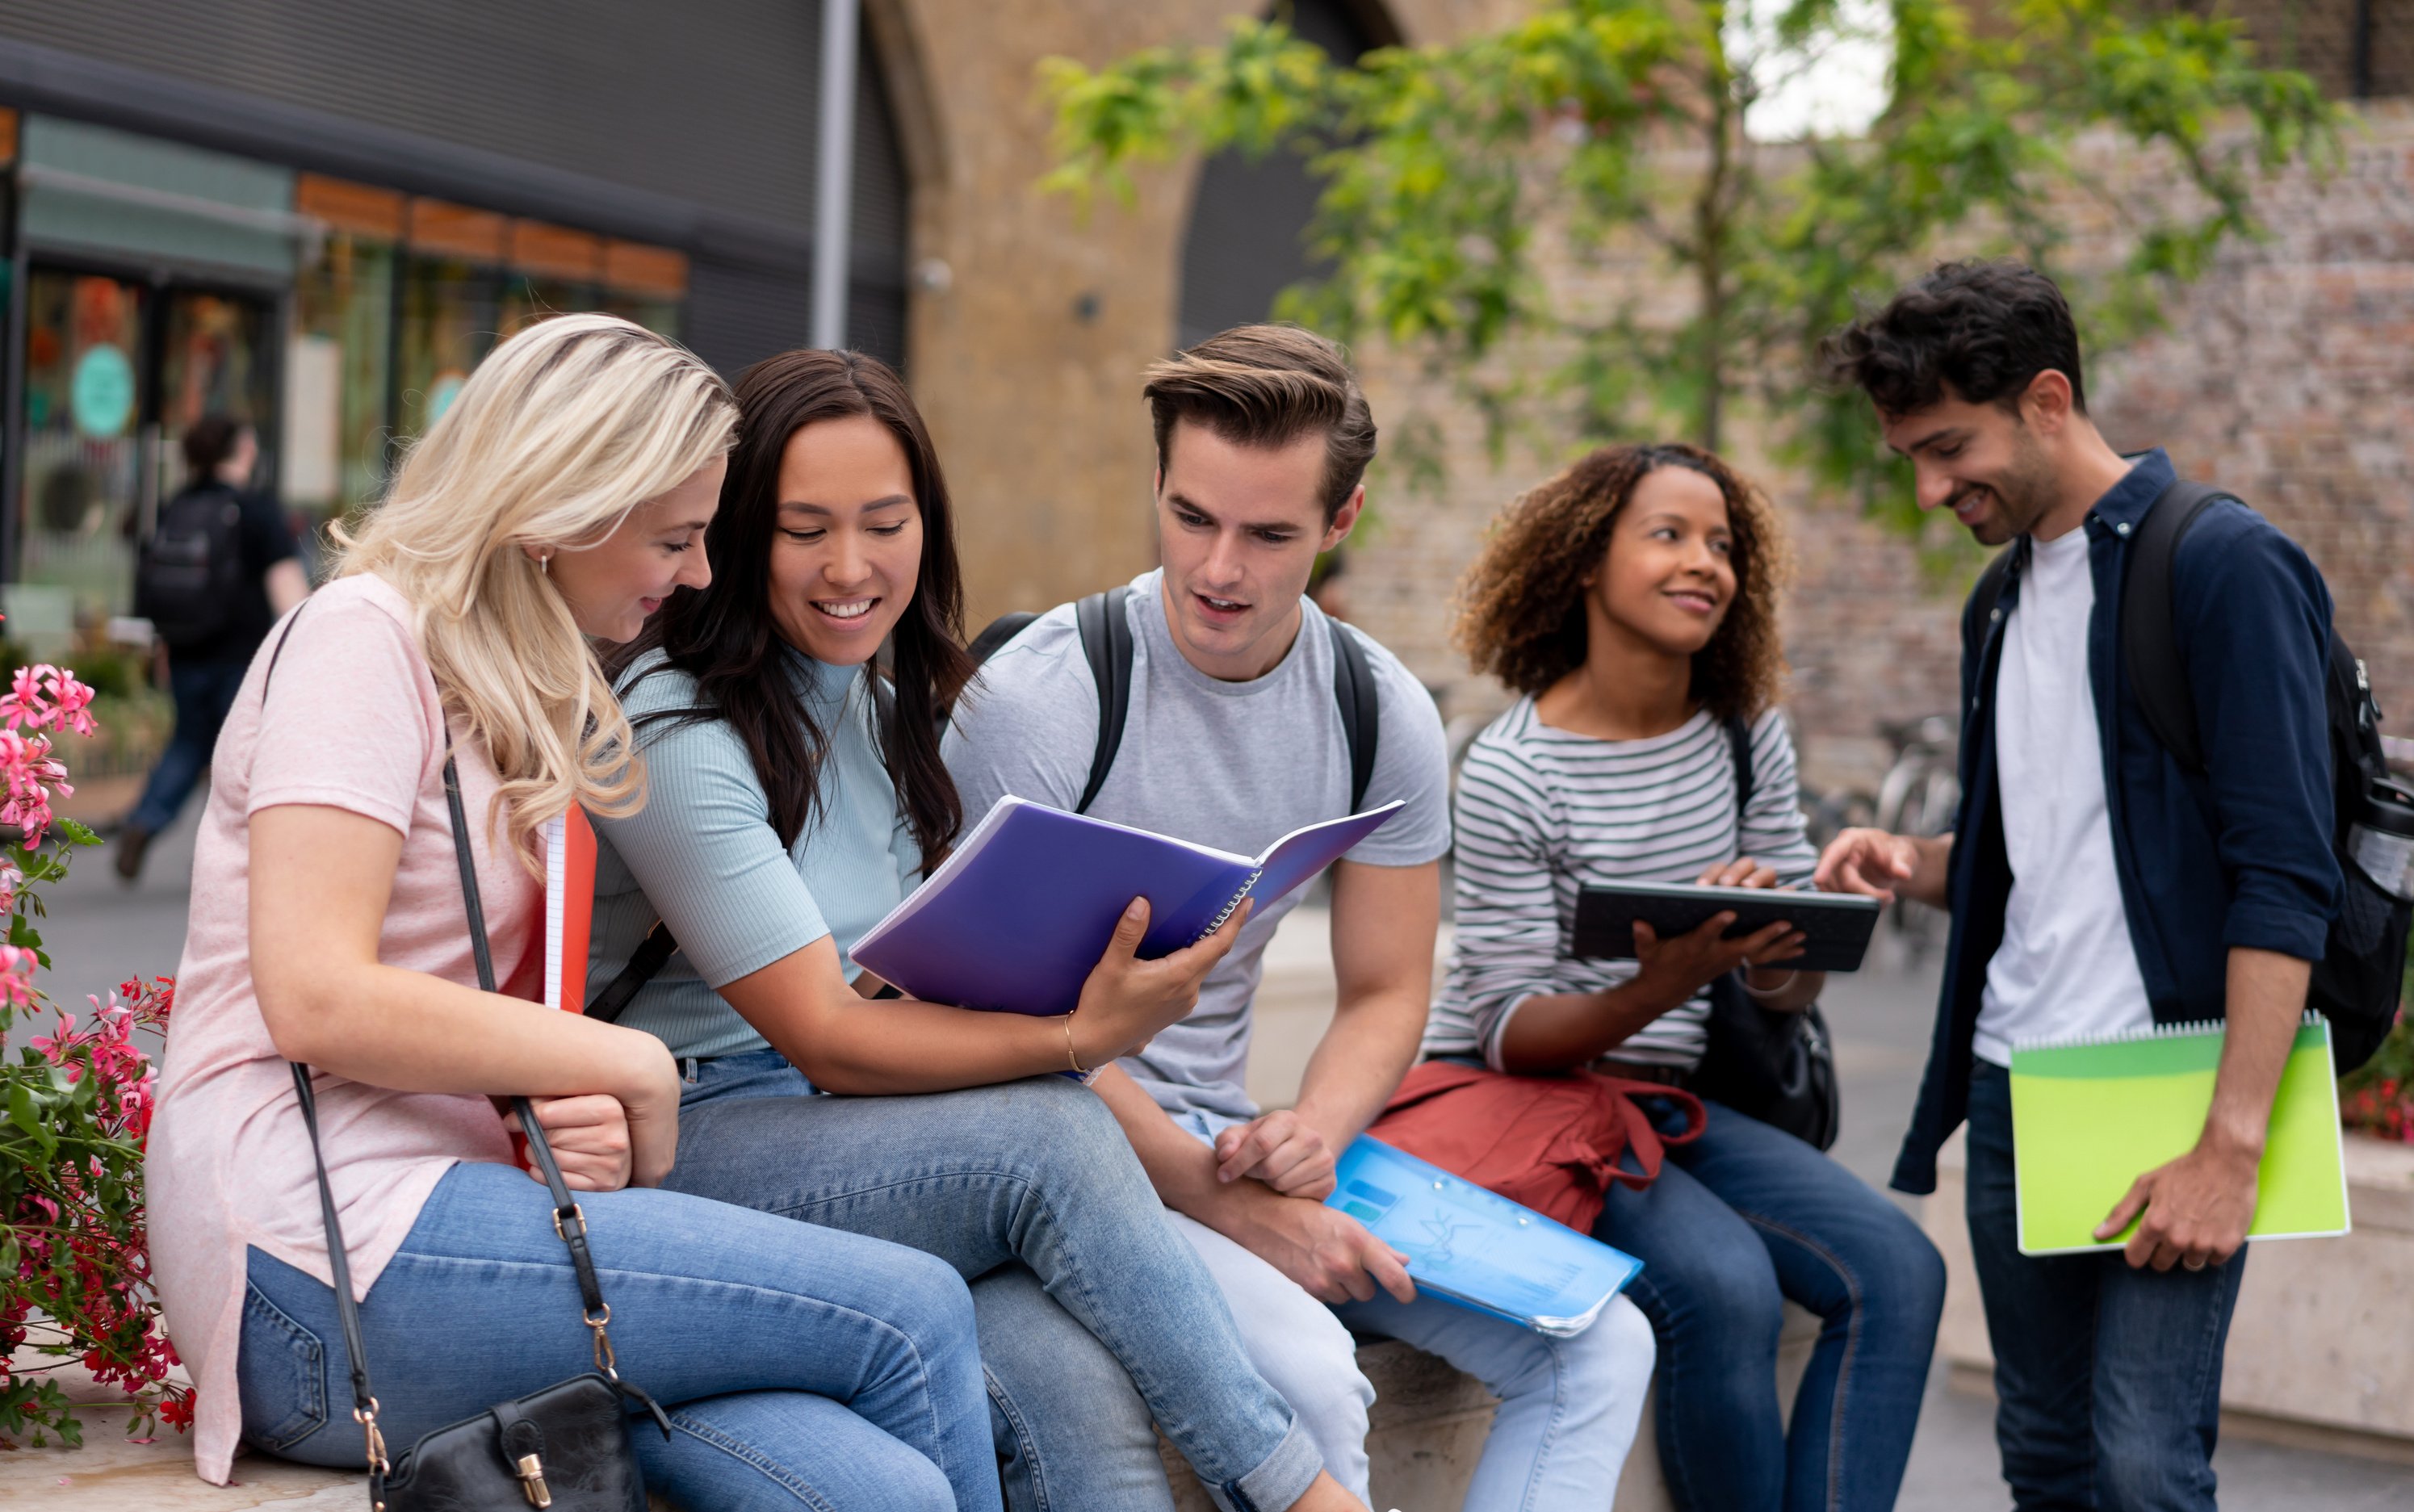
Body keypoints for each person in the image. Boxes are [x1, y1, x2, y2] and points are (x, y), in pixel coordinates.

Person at [149, 314, 1009, 1511]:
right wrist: (629, 1064)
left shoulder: (521, 687)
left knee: (872, 1489)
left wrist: (563, 1107)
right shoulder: (359, 640)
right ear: (559, 508)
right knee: (911, 1308)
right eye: (676, 535)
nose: (700, 573)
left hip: (482, 1222)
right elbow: (315, 989)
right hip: (314, 1259)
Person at [586, 346, 1361, 1512]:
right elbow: (828, 1037)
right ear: (739, 532)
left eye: (883, 523)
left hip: (855, 1142)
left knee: (1078, 1398)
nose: (849, 567)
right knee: (1048, 1133)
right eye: (804, 530)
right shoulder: (675, 730)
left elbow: (899, 994)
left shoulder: (889, 707)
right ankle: (1302, 1498)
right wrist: (1073, 1035)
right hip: (692, 1141)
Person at [945, 324, 1658, 1512]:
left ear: (1341, 520)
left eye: (1268, 533)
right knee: (1320, 1388)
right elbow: (972, 1011)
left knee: (1601, 1344)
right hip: (1057, 1142)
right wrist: (1216, 1193)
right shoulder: (1047, 694)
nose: (1218, 567)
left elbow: (1384, 988)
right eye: (1190, 517)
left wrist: (1314, 1133)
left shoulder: (1376, 712)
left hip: (1230, 1141)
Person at [1816, 261, 2341, 1510]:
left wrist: (2230, 1142)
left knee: (2145, 1465)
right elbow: (2041, 859)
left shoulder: (2221, 566)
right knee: (2043, 1457)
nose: (1932, 489)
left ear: (2047, 398)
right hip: (2016, 1086)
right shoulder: (1996, 602)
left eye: (1947, 448)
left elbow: (2284, 873)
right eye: (1909, 459)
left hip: (2172, 1086)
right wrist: (1914, 865)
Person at [1423, 442, 1947, 1511]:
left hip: (1676, 1102)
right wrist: (1662, 982)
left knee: (1898, 1268)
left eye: (1720, 545)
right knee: (1721, 1286)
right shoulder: (1513, 768)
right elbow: (1508, 1028)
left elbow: (1785, 996)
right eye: (1667, 535)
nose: (1702, 563)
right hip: (1538, 1106)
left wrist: (1768, 955)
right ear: (1583, 561)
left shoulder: (1746, 738)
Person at [115, 416, 308, 881]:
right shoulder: (256, 510)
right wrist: (305, 643)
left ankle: (144, 820)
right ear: (242, 450)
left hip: (186, 652)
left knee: (188, 742)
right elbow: (287, 589)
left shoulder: (175, 506)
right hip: (243, 657)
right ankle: (228, 857)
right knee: (239, 757)